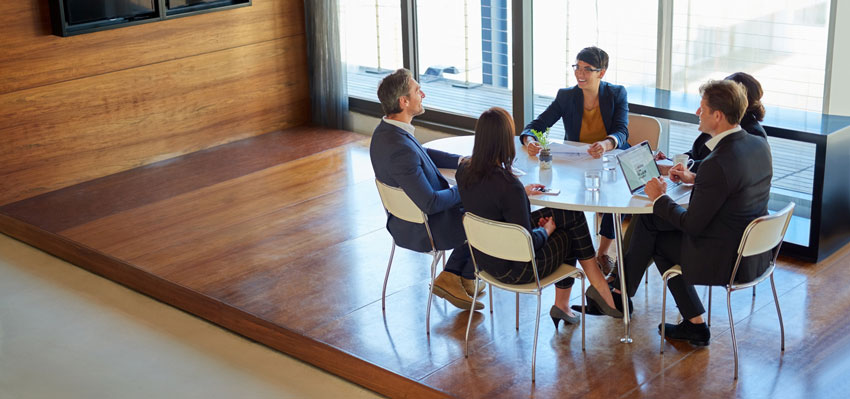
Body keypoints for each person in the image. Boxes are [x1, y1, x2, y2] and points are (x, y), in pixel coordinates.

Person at [615, 79, 773, 346]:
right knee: (653, 222)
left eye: (702, 108)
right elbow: (730, 185)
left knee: (657, 235)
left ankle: (620, 294)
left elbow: (692, 226)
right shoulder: (757, 145)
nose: (697, 113)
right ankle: (625, 294)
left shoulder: (717, 162)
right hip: (754, 252)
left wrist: (659, 197)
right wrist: (693, 178)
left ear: (718, 116)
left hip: (726, 259)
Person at [457, 107, 624, 326]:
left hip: (486, 261)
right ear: (505, 140)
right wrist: (546, 230)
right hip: (519, 269)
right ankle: (601, 290)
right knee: (569, 229)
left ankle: (569, 303)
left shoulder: (465, 170)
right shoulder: (509, 186)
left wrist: (523, 194)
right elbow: (527, 244)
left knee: (567, 214)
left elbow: (491, 206)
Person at [370, 68, 485, 311]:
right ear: (404, 101)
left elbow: (424, 154)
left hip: (404, 221)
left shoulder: (387, 133)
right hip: (426, 229)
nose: (423, 94)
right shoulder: (399, 149)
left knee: (479, 201)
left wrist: (463, 161)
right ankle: (452, 275)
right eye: (416, 90)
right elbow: (430, 203)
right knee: (487, 209)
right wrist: (468, 187)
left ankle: (465, 276)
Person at [519, 46, 630, 275]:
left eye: (587, 69)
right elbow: (536, 125)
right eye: (577, 67)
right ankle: (574, 251)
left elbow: (621, 131)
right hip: (578, 161)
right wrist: (530, 140)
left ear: (602, 72)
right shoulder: (566, 96)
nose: (580, 73)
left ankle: (603, 252)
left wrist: (606, 144)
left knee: (613, 199)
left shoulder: (617, 93)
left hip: (609, 159)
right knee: (565, 199)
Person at [656, 72, 767, 174]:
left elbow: (719, 165)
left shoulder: (752, 135)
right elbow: (697, 153)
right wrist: (671, 161)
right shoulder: (720, 123)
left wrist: (675, 168)